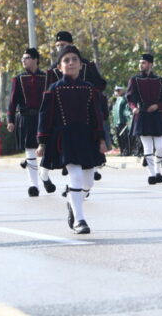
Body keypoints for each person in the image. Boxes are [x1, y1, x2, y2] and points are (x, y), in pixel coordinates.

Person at [37, 45, 106, 235]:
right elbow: (45, 116)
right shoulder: (53, 89)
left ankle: (72, 201)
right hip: (64, 139)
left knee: (88, 182)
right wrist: (42, 142)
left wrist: (101, 139)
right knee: (74, 176)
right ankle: (80, 219)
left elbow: (97, 115)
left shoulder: (90, 89)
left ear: (81, 65)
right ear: (59, 67)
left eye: (74, 59)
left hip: (87, 138)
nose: (71, 63)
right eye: (66, 60)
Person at [7, 47, 54, 197]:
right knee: (30, 151)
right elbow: (12, 101)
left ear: (35, 59)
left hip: (44, 118)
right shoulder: (18, 79)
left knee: (47, 149)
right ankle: (34, 185)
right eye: (22, 58)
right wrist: (10, 120)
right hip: (26, 118)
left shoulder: (47, 76)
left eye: (26, 58)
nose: (23, 61)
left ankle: (44, 175)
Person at [126, 54, 162, 185]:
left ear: (151, 64)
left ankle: (158, 170)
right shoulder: (134, 80)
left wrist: (157, 106)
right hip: (142, 116)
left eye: (144, 63)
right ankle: (151, 174)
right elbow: (130, 98)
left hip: (157, 117)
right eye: (140, 62)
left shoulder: (159, 80)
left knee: (160, 147)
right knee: (148, 148)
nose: (141, 65)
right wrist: (134, 108)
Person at [110, 85, 133, 156]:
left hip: (123, 122)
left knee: (125, 138)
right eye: (116, 90)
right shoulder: (116, 99)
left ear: (122, 90)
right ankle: (122, 151)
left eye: (118, 90)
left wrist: (128, 119)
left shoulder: (125, 99)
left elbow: (127, 110)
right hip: (117, 122)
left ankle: (126, 151)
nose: (117, 92)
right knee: (119, 138)